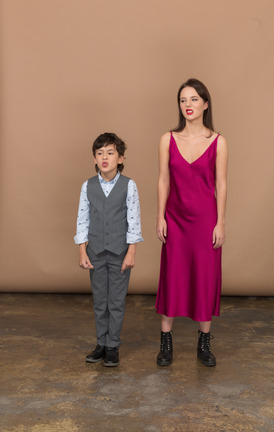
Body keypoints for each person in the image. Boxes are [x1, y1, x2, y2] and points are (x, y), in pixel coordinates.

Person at [155, 78, 228, 367]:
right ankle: (166, 342)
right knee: (172, 275)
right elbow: (163, 180)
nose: (188, 105)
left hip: (205, 220)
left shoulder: (219, 141)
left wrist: (221, 222)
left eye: (194, 99)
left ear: (205, 104)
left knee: (204, 277)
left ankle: (204, 343)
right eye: (183, 100)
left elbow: (221, 185)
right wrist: (159, 215)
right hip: (175, 217)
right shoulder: (167, 139)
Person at [74, 132, 143, 367]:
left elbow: (134, 221)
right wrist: (83, 251)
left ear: (120, 158)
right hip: (95, 252)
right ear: (94, 158)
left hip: (119, 252)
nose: (105, 157)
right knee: (100, 301)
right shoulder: (88, 186)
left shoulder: (128, 185)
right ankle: (101, 343)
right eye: (100, 153)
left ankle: (113, 345)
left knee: (116, 301)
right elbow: (82, 220)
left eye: (110, 153)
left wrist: (131, 252)